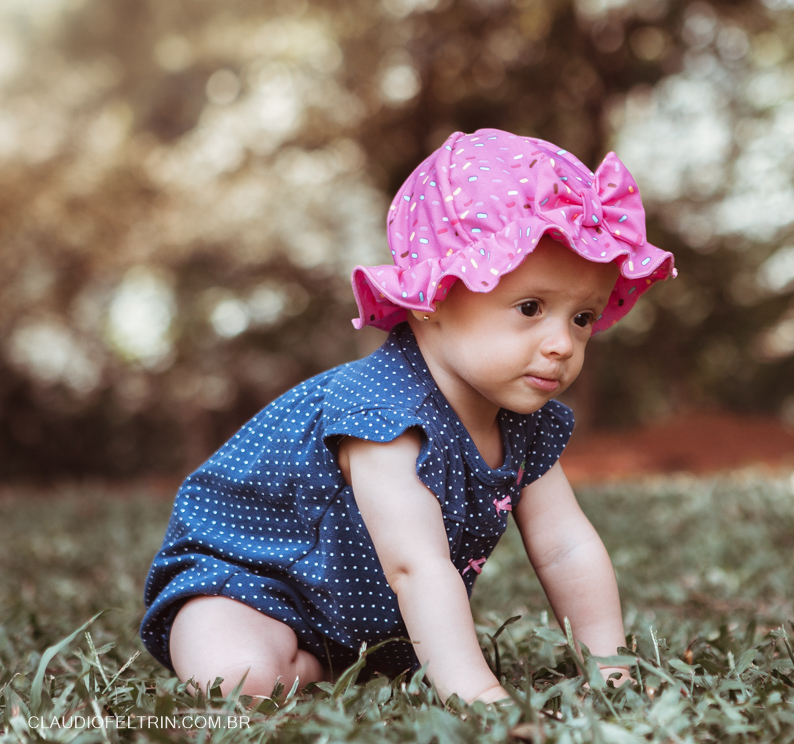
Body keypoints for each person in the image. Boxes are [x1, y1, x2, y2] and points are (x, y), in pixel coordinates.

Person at [140, 129, 675, 704]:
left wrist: (611, 672)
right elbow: (415, 567)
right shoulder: (383, 414)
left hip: (357, 618)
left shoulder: (524, 422)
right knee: (238, 677)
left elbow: (565, 546)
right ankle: (292, 661)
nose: (562, 344)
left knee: (339, 667)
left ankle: (324, 665)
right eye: (530, 308)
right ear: (431, 298)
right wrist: (475, 694)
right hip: (249, 585)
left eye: (582, 318)